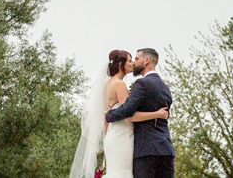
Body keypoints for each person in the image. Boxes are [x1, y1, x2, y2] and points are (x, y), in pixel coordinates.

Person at [69, 49, 169, 178]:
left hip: (112, 136)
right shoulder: (119, 84)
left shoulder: (107, 85)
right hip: (122, 136)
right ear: (121, 65)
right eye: (129, 60)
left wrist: (106, 141)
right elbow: (129, 115)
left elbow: (106, 118)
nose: (132, 63)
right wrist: (156, 114)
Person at [105, 48, 175, 178]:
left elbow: (127, 111)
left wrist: (109, 115)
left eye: (136, 59)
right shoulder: (165, 88)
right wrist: (157, 114)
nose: (134, 63)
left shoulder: (142, 83)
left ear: (146, 60)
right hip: (166, 150)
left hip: (146, 151)